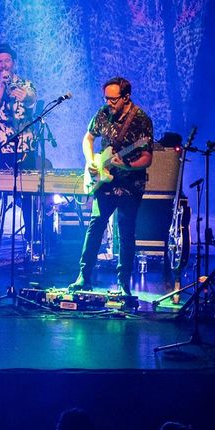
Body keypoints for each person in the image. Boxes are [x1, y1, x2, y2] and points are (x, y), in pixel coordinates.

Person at [74, 76, 153, 298]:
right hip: (104, 180)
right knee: (95, 226)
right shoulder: (103, 113)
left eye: (113, 99)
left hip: (129, 184)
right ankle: (84, 276)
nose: (109, 103)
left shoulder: (141, 120)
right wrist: (91, 161)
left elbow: (147, 157)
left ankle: (124, 283)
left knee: (126, 232)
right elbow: (88, 138)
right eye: (106, 98)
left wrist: (127, 165)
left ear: (126, 97)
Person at [0, 45, 37, 267]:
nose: (4, 65)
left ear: (13, 63)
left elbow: (31, 100)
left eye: (7, 61)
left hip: (24, 149)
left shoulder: (26, 84)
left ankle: (32, 245)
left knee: (29, 197)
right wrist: (2, 87)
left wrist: (26, 96)